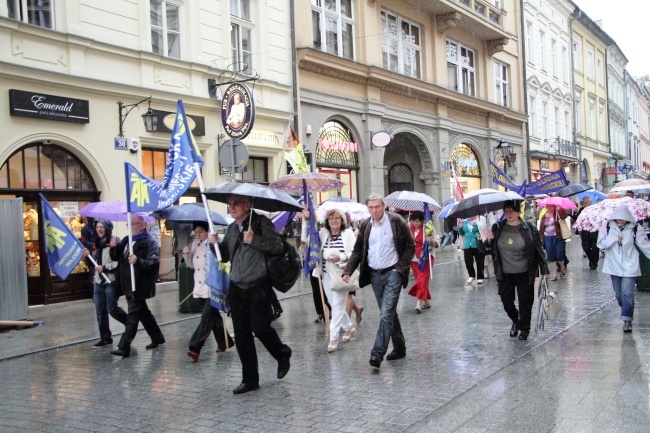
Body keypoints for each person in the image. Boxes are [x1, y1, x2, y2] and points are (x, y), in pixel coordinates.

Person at [210, 195, 292, 394]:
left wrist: (254, 239)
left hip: (258, 285)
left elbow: (278, 246)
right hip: (237, 286)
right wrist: (214, 244)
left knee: (261, 328)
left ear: (248, 205)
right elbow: (226, 256)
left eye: (236, 203)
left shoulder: (261, 223)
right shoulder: (231, 229)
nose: (232, 207)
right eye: (229, 204)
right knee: (241, 334)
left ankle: (282, 354)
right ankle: (250, 379)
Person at [342, 193, 415, 369]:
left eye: (377, 207)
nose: (374, 210)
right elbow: (358, 251)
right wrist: (348, 270)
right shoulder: (366, 225)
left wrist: (400, 268)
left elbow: (410, 246)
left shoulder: (396, 221)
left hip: (393, 273)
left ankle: (377, 353)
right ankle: (400, 347)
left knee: (386, 313)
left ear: (384, 206)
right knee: (388, 313)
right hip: (375, 275)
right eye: (371, 207)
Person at [109, 214, 165, 357]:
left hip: (141, 284)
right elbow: (116, 257)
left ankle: (124, 346)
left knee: (133, 315)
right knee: (144, 313)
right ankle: (157, 337)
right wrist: (114, 247)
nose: (129, 227)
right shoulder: (127, 239)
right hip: (127, 283)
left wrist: (138, 260)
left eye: (132, 224)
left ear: (142, 224)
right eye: (129, 224)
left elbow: (153, 262)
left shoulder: (149, 242)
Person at [492, 201, 549, 341]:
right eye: (506, 211)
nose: (509, 214)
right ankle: (516, 320)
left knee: (526, 301)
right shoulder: (498, 228)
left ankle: (524, 328)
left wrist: (545, 270)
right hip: (504, 272)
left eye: (512, 211)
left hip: (525, 271)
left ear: (518, 212)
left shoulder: (529, 228)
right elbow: (491, 249)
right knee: (506, 301)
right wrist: (486, 239)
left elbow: (538, 250)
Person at [183, 221, 234, 363]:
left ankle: (195, 347)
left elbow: (223, 262)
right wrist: (186, 255)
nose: (198, 234)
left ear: (207, 231)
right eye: (196, 232)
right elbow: (191, 265)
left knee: (206, 317)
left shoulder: (215, 243)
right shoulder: (195, 244)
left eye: (201, 231)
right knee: (213, 316)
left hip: (213, 285)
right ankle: (225, 342)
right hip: (199, 286)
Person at [597, 205, 650, 333]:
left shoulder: (635, 228)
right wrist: (614, 238)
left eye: (623, 219)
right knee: (619, 295)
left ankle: (627, 320)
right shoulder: (608, 227)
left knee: (627, 293)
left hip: (630, 265)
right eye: (618, 219)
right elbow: (601, 244)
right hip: (614, 266)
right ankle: (626, 309)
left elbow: (645, 245)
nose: (620, 221)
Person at [313, 208, 357, 353]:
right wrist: (308, 218)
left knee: (337, 306)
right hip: (326, 275)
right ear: (327, 221)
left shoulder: (348, 233)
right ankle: (348, 327)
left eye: (337, 218)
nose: (334, 220)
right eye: (331, 218)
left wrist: (341, 257)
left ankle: (333, 339)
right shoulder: (323, 233)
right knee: (333, 303)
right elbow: (309, 236)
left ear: (342, 220)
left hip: (343, 274)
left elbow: (355, 253)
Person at [81, 219, 127, 348]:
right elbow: (93, 263)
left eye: (102, 227)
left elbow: (119, 263)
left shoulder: (115, 241)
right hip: (99, 281)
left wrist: (105, 267)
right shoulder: (96, 243)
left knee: (111, 308)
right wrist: (87, 256)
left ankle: (130, 323)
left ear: (107, 228)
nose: (99, 230)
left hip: (111, 280)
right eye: (97, 227)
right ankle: (105, 338)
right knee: (100, 311)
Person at [301, 206, 331, 323]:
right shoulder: (313, 232)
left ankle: (331, 310)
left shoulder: (324, 232)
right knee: (316, 290)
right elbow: (305, 237)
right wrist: (305, 220)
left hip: (327, 267)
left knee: (327, 290)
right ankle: (320, 312)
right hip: (314, 265)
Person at [407, 211, 438, 313]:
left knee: (421, 280)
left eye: (417, 221)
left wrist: (432, 241)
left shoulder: (428, 228)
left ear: (422, 221)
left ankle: (418, 303)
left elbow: (437, 240)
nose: (415, 223)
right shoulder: (408, 228)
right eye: (413, 221)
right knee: (421, 281)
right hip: (413, 259)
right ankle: (427, 301)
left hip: (425, 259)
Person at [540, 204, 568, 281]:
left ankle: (562, 266)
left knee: (559, 254)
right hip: (548, 238)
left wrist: (560, 210)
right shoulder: (544, 215)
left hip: (558, 237)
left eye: (551, 206)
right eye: (548, 206)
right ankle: (554, 274)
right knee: (550, 256)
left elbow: (564, 216)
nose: (549, 208)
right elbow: (542, 227)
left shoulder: (557, 214)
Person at [576, 197, 600, 270]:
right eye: (584, 203)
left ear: (590, 202)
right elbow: (578, 220)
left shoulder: (595, 209)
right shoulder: (581, 210)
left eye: (587, 202)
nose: (586, 204)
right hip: (584, 231)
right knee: (585, 247)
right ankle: (591, 259)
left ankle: (594, 263)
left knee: (594, 247)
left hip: (594, 231)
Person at [459, 216, 485, 284]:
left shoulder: (480, 220)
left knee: (479, 261)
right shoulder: (465, 222)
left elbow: (483, 230)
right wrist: (460, 227)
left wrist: (476, 228)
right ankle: (471, 275)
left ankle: (480, 277)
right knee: (468, 260)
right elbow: (462, 233)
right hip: (467, 244)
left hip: (477, 243)